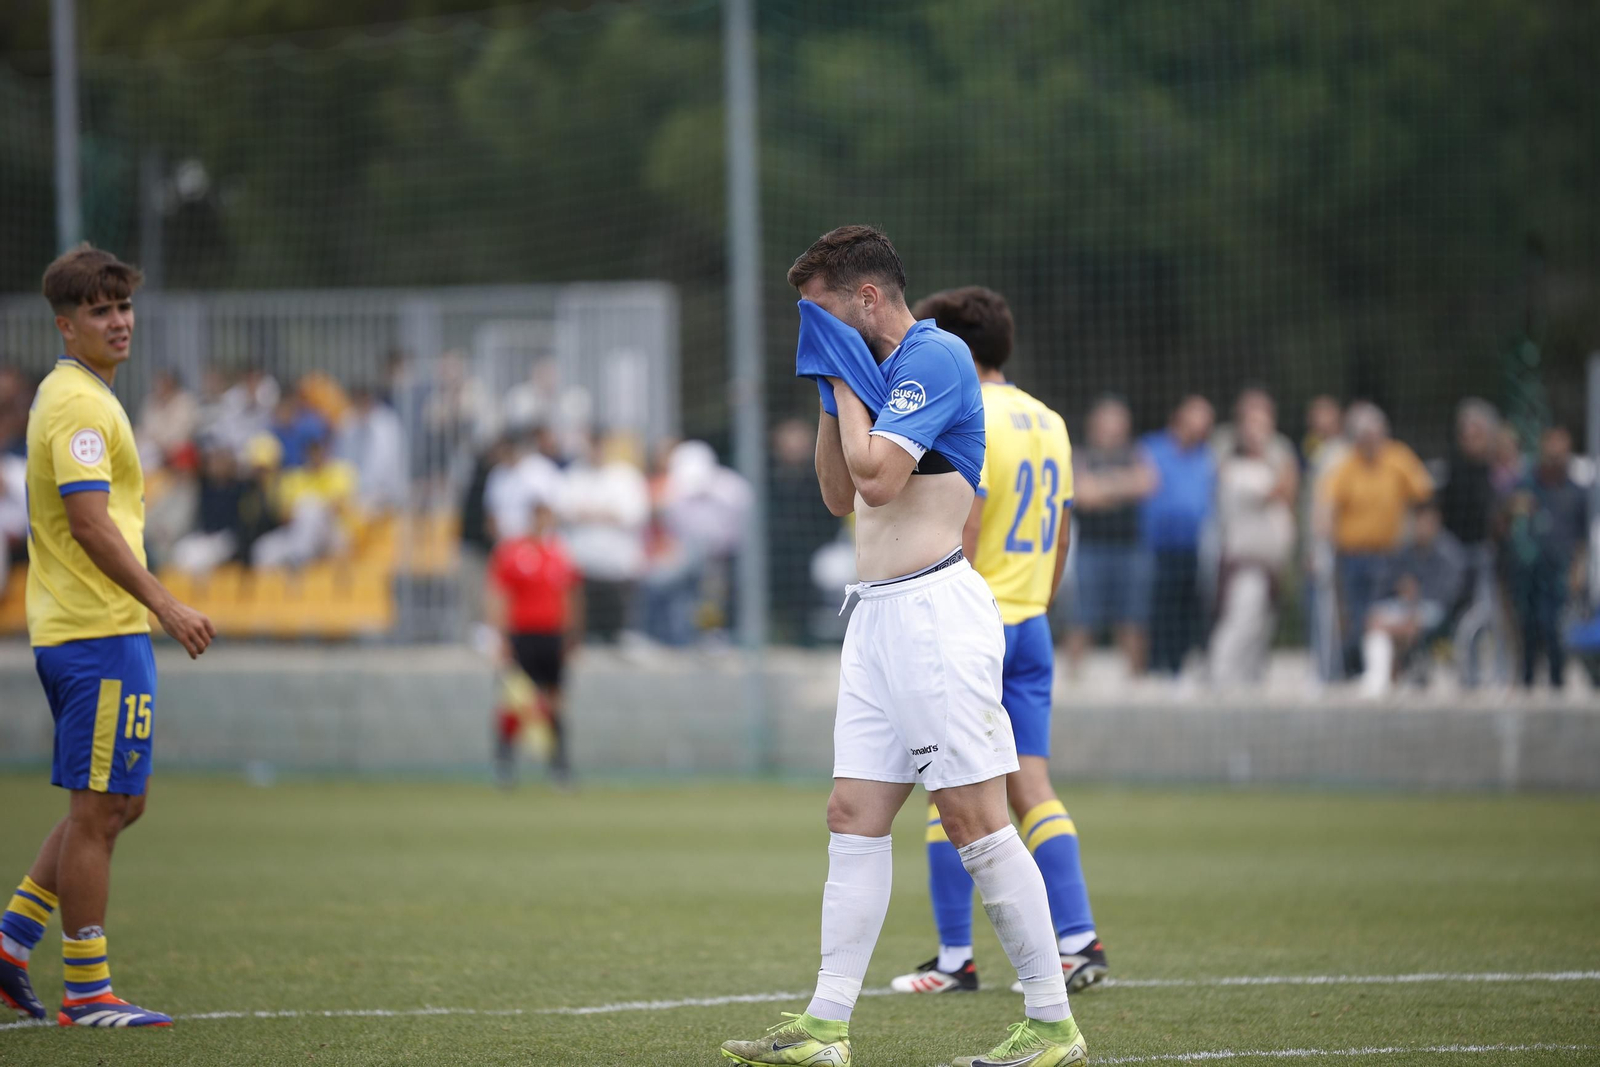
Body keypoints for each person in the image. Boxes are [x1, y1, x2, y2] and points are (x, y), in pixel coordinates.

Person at [720, 227, 1085, 1067]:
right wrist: (830, 388)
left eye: (822, 316)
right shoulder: (868, 371)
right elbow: (839, 492)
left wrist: (846, 378)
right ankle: (825, 1026)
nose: (816, 333)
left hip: (935, 616)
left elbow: (882, 477)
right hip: (876, 618)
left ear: (868, 300)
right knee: (853, 812)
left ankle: (1053, 1023)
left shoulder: (938, 354)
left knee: (974, 819)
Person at [0, 245, 214, 1028]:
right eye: (99, 310)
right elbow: (89, 523)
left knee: (122, 801)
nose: (119, 321)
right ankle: (88, 990)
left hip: (98, 630)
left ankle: (12, 938)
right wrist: (166, 603)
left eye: (123, 306)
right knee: (99, 812)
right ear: (66, 325)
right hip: (96, 632)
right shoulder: (79, 406)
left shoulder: (82, 394)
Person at [888, 285, 1108, 1000]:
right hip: (1033, 621)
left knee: (943, 791)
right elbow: (1064, 530)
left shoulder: (970, 410)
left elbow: (966, 521)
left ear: (956, 348)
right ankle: (1079, 940)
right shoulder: (1049, 420)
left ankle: (957, 956)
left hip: (977, 622)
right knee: (1032, 789)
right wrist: (1036, 602)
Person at [1319, 402, 1433, 675]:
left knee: (1386, 613)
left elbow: (1424, 495)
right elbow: (1326, 505)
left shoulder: (1398, 458)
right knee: (1356, 618)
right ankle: (1358, 670)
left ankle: (1394, 669)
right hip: (1353, 556)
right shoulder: (1346, 465)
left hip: (1391, 555)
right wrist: (1323, 545)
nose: (1369, 441)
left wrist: (1422, 536)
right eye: (1363, 436)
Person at [486, 499, 583, 786]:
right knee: (515, 701)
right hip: (521, 635)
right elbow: (498, 595)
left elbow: (571, 596)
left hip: (552, 636)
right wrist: (500, 636)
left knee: (555, 702)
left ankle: (559, 765)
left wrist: (572, 635)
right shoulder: (513, 553)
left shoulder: (559, 554)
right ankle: (504, 764)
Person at [1065, 396, 1155, 677]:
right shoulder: (1081, 455)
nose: (1112, 432)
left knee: (1133, 618)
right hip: (1091, 550)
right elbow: (1082, 494)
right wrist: (1122, 486)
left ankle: (1136, 682)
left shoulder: (1135, 452)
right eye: (1106, 425)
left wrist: (1103, 488)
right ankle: (1073, 680)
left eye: (1117, 426)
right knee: (1082, 619)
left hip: (1130, 549)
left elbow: (1148, 483)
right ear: (1094, 426)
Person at [1210, 401, 1296, 686]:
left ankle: (1248, 681)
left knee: (1262, 626)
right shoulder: (1235, 470)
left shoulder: (1269, 464)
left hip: (1272, 563)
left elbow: (1290, 493)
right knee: (1241, 621)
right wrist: (1281, 456)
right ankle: (1220, 676)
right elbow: (1279, 490)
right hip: (1246, 563)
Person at [1502, 426, 1589, 688]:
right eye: (1551, 454)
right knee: (1527, 627)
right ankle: (1526, 681)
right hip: (1527, 571)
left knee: (1554, 627)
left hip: (1560, 571)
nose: (1555, 459)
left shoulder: (1576, 492)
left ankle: (1557, 682)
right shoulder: (1525, 486)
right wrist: (1513, 509)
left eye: (1560, 454)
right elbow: (1503, 525)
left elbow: (1582, 541)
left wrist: (1578, 570)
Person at [1140, 395, 1217, 677]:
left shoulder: (1206, 455)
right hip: (1158, 547)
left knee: (1191, 609)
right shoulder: (1153, 448)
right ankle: (1158, 665)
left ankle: (1184, 665)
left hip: (1194, 548)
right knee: (1160, 606)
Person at [1358, 501, 1466, 696]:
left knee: (1412, 621)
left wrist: (1417, 597)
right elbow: (1385, 587)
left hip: (1434, 611)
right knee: (1377, 619)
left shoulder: (1449, 553)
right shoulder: (1404, 551)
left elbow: (1448, 597)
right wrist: (1401, 592)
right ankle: (1378, 678)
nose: (1422, 527)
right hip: (1403, 610)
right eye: (1418, 522)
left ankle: (1401, 667)